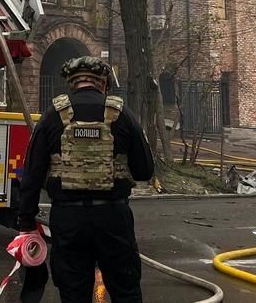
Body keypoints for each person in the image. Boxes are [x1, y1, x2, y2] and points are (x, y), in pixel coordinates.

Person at [16, 56, 154, 303]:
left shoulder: (53, 116)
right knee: (126, 292)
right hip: (113, 219)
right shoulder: (122, 114)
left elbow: (32, 175)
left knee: (73, 294)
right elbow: (144, 170)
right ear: (103, 82)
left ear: (72, 82)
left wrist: (26, 223)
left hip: (68, 221)